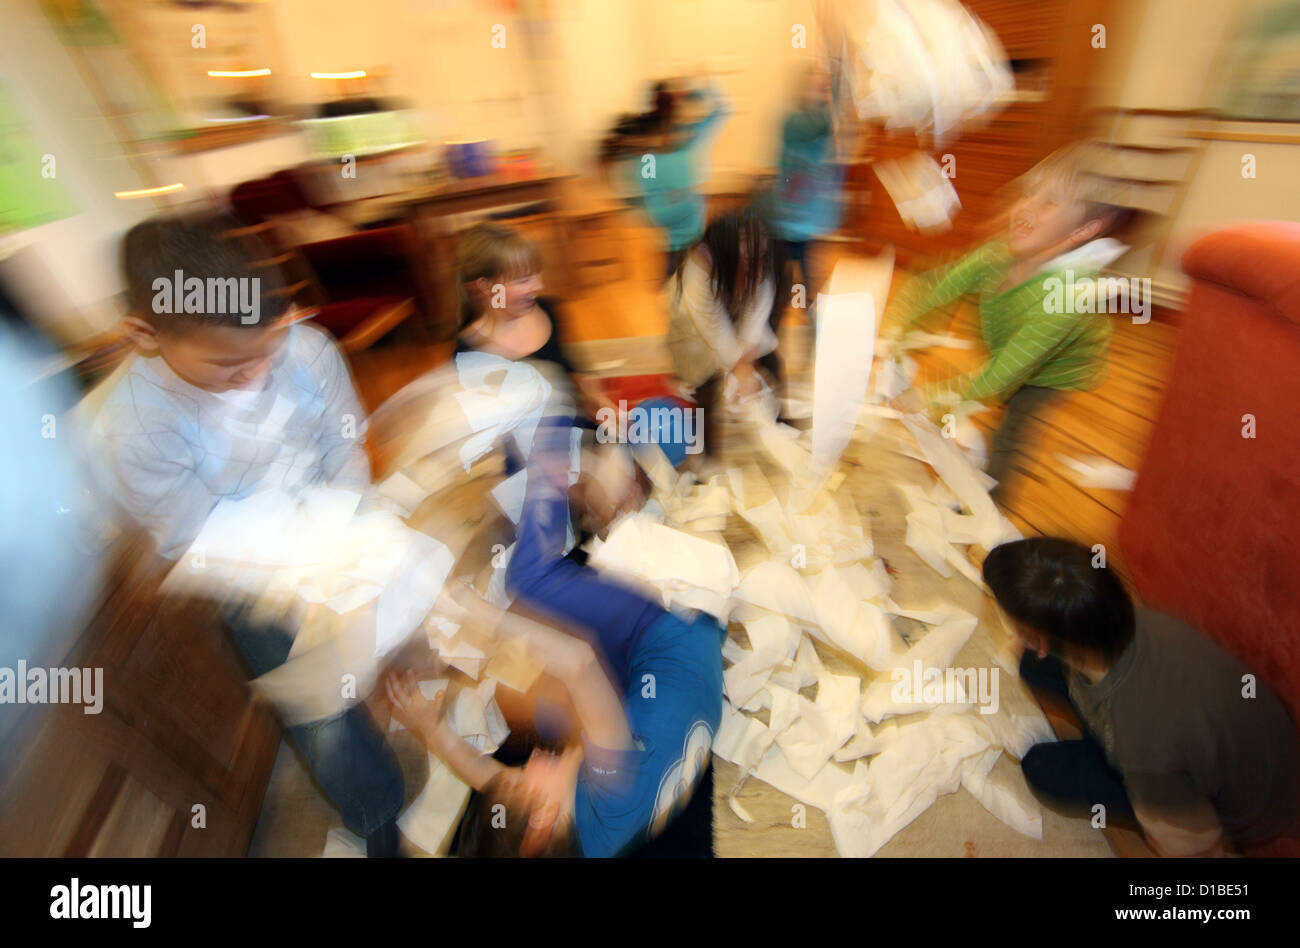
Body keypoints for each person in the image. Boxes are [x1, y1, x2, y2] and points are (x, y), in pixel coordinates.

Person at [89, 210, 403, 856]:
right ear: (145, 334)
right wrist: (300, 578)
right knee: (322, 716)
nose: (258, 372)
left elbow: (343, 445)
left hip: (338, 537)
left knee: (381, 651)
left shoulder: (304, 350)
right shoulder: (132, 431)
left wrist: (351, 530)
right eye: (230, 363)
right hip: (256, 586)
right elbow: (194, 539)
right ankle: (376, 816)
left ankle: (393, 734)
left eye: (270, 346)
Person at [386, 414, 725, 857]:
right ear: (544, 818)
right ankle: (550, 429)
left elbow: (489, 779)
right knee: (528, 583)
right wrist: (474, 612)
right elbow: (577, 659)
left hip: (670, 694)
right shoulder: (610, 789)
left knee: (548, 714)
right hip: (680, 630)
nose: (527, 763)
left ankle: (608, 501)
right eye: (526, 777)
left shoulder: (579, 841)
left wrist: (430, 729)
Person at [983, 537, 1300, 857]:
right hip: (1219, 740)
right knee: (1032, 667)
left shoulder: (1145, 749)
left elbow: (1197, 846)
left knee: (1042, 771)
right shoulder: (1124, 616)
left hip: (1218, 800)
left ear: (1039, 639)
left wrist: (1163, 832)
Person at [882, 141, 1132, 500]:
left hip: (1052, 373)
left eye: (1049, 202)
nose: (1026, 208)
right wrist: (897, 332)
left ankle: (993, 511)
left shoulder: (1066, 299)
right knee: (965, 395)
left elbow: (1000, 377)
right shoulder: (997, 254)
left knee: (1011, 430)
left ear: (1082, 231)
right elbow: (937, 288)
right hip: (1009, 341)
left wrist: (928, 397)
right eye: (1028, 193)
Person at [455, 221, 612, 422]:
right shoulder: (468, 353)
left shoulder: (548, 309)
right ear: (486, 286)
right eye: (523, 280)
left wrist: (598, 400)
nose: (539, 285)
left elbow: (571, 368)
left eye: (537, 274)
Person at [666, 207, 782, 456]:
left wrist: (747, 360)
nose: (758, 248)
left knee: (771, 360)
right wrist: (738, 366)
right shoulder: (697, 270)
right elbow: (711, 324)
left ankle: (779, 422)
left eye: (760, 240)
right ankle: (706, 451)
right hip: (694, 329)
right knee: (704, 379)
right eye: (746, 243)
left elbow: (758, 310)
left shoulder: (758, 261)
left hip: (733, 316)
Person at [610, 72, 732, 280]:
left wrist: (702, 87)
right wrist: (685, 200)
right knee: (678, 285)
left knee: (697, 284)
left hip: (691, 235)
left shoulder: (689, 138)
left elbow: (722, 111)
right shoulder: (649, 156)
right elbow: (652, 206)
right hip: (675, 240)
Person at [764, 62, 844, 307]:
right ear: (801, 91)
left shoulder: (822, 126)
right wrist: (839, 87)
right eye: (815, 87)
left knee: (810, 285)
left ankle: (812, 328)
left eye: (823, 89)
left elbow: (831, 128)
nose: (821, 93)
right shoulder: (793, 122)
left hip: (807, 221)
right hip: (785, 220)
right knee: (777, 286)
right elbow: (818, 124)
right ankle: (768, 329)